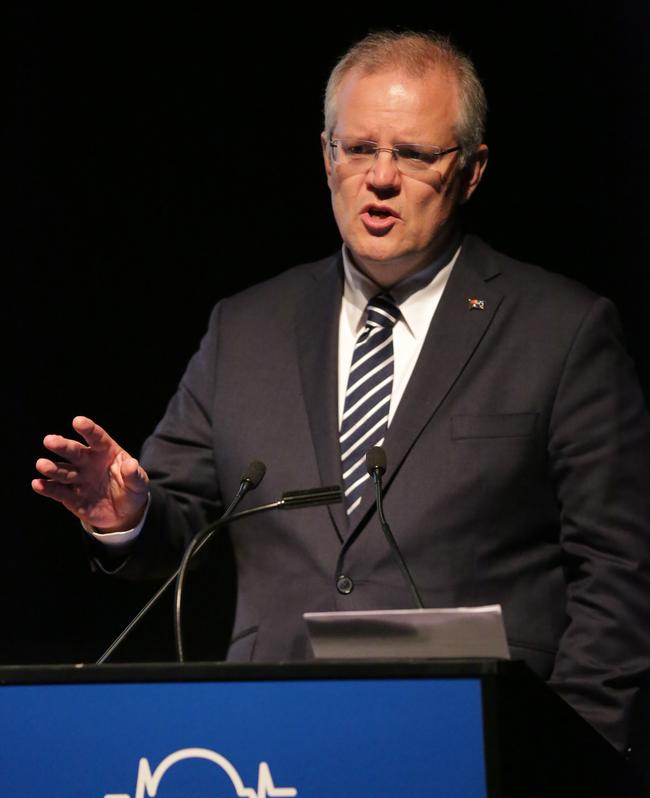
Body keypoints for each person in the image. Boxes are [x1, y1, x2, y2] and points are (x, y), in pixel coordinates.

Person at [32, 30, 650, 753]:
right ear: (327, 156)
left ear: (473, 170)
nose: (380, 178)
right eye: (358, 149)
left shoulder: (561, 330)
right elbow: (178, 530)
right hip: (274, 749)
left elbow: (621, 573)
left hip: (480, 752)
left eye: (414, 155)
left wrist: (570, 754)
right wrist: (128, 515)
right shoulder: (246, 329)